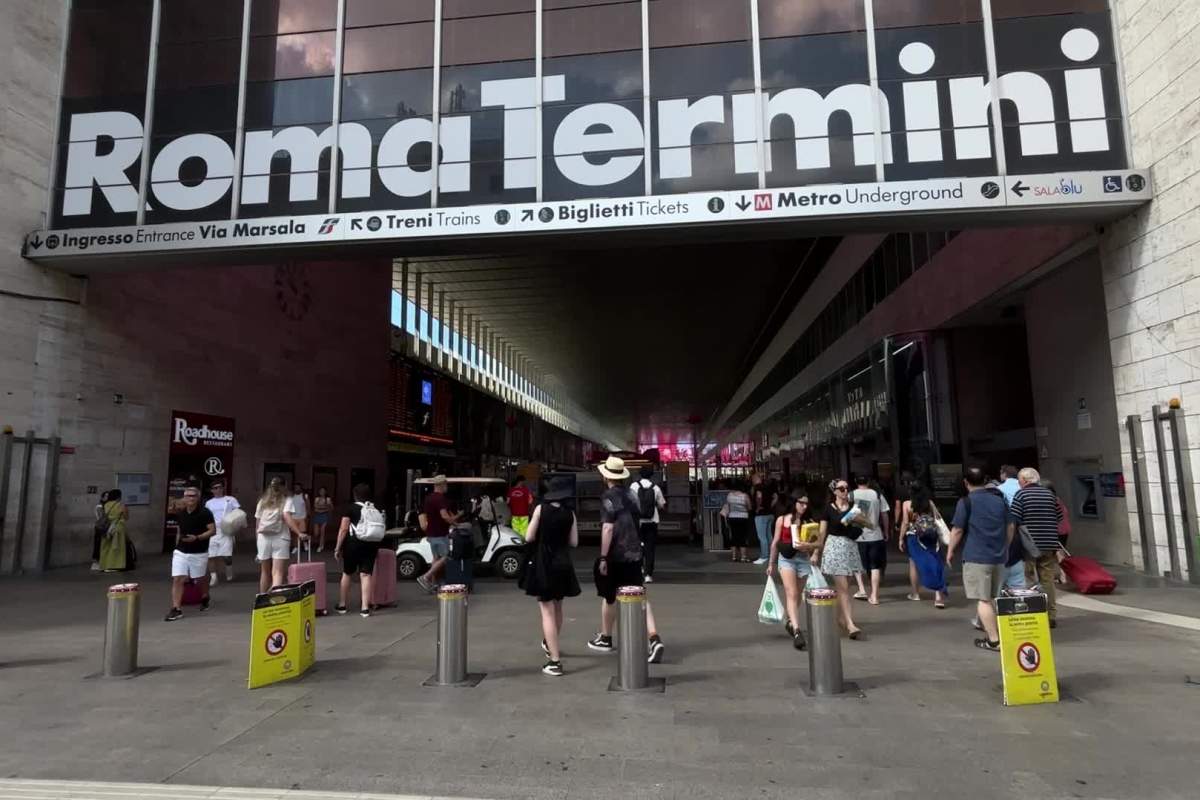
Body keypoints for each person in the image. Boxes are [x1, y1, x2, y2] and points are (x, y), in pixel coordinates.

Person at [588, 456, 665, 664]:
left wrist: (603, 556)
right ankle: (654, 638)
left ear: (606, 476)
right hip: (634, 552)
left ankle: (605, 637)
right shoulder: (632, 495)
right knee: (639, 594)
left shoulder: (607, 497)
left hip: (616, 554)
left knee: (609, 596)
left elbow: (607, 528)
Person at [945, 467, 1012, 651]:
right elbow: (1010, 525)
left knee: (983, 600)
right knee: (994, 597)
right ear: (985, 480)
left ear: (966, 483)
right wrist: (1006, 545)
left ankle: (994, 640)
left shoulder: (965, 502)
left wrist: (950, 550)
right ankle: (994, 631)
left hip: (976, 556)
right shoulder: (999, 500)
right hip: (999, 556)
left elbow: (957, 530)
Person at [521, 476, 581, 676]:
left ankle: (554, 661)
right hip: (563, 563)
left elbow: (529, 537)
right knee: (558, 607)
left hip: (544, 563)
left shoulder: (540, 510)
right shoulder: (570, 513)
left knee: (546, 610)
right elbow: (574, 542)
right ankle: (550, 642)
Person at [1010, 467, 1065, 627]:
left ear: (1025, 480)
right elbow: (1059, 517)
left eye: (1019, 480)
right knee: (1047, 579)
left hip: (1028, 544)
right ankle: (1050, 616)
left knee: (1028, 578)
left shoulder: (1021, 495)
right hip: (1048, 543)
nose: (1018, 483)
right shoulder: (1050, 495)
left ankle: (1033, 613)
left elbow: (1015, 519)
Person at [815, 479, 864, 639]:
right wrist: (816, 552)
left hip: (849, 547)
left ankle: (841, 618)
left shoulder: (853, 508)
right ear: (834, 491)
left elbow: (860, 528)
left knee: (846, 587)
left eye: (846, 488)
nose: (844, 491)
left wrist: (861, 522)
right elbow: (821, 533)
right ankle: (850, 624)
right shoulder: (828, 509)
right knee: (842, 588)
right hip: (834, 548)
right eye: (841, 488)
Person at [766, 494, 816, 650]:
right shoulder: (782, 519)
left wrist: (810, 549)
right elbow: (775, 542)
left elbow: (815, 542)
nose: (804, 506)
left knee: (798, 593)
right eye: (801, 503)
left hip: (803, 559)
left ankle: (790, 620)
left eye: (806, 504)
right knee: (792, 593)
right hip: (786, 559)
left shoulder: (809, 521)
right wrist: (771, 563)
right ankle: (796, 630)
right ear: (794, 503)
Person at [165, 486, 214, 621]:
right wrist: (176, 546)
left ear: (198, 498)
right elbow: (179, 530)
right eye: (187, 496)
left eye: (193, 496)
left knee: (200, 578)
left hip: (198, 551)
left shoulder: (205, 513)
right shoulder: (181, 513)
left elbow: (212, 530)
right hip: (181, 551)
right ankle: (176, 608)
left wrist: (197, 538)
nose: (190, 498)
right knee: (178, 578)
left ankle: (205, 596)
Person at [897, 483, 947, 608]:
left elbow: (905, 522)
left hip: (914, 537)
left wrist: (900, 539)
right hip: (930, 535)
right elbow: (937, 518)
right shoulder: (929, 503)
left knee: (913, 564)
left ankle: (915, 594)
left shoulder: (907, 504)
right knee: (936, 561)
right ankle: (938, 597)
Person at [333, 483, 379, 618]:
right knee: (365, 575)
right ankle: (365, 607)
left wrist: (337, 548)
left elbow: (343, 529)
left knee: (347, 573)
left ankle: (342, 605)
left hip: (353, 545)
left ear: (355, 495)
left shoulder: (350, 509)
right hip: (371, 545)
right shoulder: (374, 509)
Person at [417, 475, 461, 593]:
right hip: (440, 533)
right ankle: (426, 577)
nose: (446, 487)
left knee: (436, 558)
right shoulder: (440, 499)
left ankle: (433, 584)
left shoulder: (428, 498)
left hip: (431, 533)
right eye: (445, 484)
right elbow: (444, 515)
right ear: (440, 485)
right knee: (446, 557)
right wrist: (455, 523)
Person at [850, 475, 890, 604]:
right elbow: (884, 514)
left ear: (856, 482)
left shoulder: (851, 495)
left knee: (858, 565)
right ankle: (874, 596)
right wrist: (886, 531)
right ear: (868, 481)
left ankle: (862, 590)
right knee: (875, 566)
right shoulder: (877, 495)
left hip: (858, 536)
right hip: (876, 535)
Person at [255, 477, 293, 594]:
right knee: (277, 572)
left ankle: (262, 599)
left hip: (263, 539)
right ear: (284, 486)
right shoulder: (287, 500)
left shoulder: (262, 501)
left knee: (264, 572)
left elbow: (258, 525)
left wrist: (258, 546)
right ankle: (275, 600)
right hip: (281, 538)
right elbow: (287, 518)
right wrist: (299, 532)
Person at [632, 465, 666, 582]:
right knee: (650, 548)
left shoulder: (634, 486)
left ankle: (640, 568)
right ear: (651, 475)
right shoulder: (655, 487)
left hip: (638, 521)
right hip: (652, 521)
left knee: (637, 546)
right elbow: (662, 504)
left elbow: (629, 502)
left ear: (640, 474)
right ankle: (648, 575)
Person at [205, 480, 240, 586]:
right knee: (211, 555)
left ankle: (229, 570)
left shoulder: (230, 499)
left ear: (223, 488)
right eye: (215, 488)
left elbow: (238, 513)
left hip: (226, 530)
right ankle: (213, 577)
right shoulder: (209, 503)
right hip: (213, 531)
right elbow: (206, 517)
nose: (218, 489)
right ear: (212, 490)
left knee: (227, 555)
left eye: (220, 487)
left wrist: (235, 525)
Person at [1042, 478, 1072, 582]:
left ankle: (1063, 577)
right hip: (1064, 529)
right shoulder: (1057, 499)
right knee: (1060, 553)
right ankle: (1063, 576)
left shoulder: (1049, 500)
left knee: (1057, 554)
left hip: (1056, 530)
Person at [96, 489, 129, 572]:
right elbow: (126, 517)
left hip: (106, 528)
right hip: (117, 527)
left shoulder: (106, 504)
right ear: (118, 496)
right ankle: (113, 565)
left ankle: (103, 565)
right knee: (116, 547)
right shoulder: (121, 505)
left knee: (105, 547)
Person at [721, 481, 754, 563]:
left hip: (732, 517)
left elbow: (728, 505)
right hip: (743, 518)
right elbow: (749, 507)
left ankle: (734, 557)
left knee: (734, 536)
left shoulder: (729, 495)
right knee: (743, 537)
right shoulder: (745, 496)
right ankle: (743, 557)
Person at [751, 474, 774, 565]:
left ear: (756, 479)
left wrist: (758, 507)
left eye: (752, 479)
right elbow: (775, 497)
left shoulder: (757, 488)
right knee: (769, 536)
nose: (752, 480)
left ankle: (764, 556)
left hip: (761, 515)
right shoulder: (768, 487)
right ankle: (771, 555)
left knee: (762, 537)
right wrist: (770, 506)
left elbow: (759, 497)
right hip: (770, 514)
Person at [285, 483, 309, 555]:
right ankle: (296, 547)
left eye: (298, 487)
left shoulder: (305, 496)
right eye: (295, 487)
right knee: (295, 534)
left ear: (301, 488)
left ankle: (305, 543)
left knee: (303, 532)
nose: (297, 489)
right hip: (293, 517)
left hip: (302, 517)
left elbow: (308, 506)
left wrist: (307, 516)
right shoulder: (291, 496)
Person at [91, 489, 112, 571]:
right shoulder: (99, 506)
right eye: (106, 496)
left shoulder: (108, 506)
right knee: (98, 543)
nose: (107, 497)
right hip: (101, 527)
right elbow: (100, 518)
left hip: (106, 527)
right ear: (102, 497)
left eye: (108, 496)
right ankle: (97, 560)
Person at [311, 487, 333, 553]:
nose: (322, 492)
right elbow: (315, 508)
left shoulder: (328, 499)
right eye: (321, 491)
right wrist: (325, 507)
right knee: (316, 533)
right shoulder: (317, 499)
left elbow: (331, 508)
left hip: (325, 515)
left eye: (323, 491)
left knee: (322, 531)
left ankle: (320, 546)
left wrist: (323, 508)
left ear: (325, 492)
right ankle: (321, 542)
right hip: (317, 515)